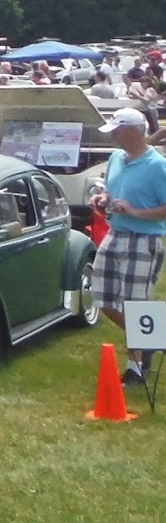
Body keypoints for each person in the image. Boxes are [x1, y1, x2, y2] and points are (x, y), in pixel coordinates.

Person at [89, 108, 166, 385]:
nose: (113, 137)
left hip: (143, 240)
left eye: (117, 131)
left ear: (132, 131)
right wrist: (103, 197)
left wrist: (134, 211)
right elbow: (112, 189)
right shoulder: (116, 158)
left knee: (135, 304)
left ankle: (136, 365)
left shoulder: (157, 166)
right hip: (115, 233)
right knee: (103, 298)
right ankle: (151, 340)